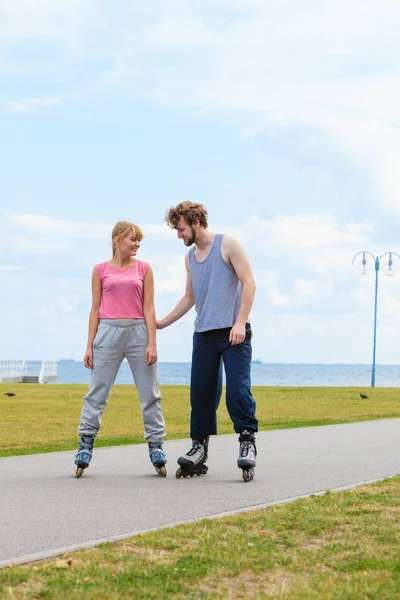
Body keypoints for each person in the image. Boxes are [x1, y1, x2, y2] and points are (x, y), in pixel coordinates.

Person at [157, 202, 258, 482]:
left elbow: (249, 283)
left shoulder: (228, 244)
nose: (179, 235)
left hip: (233, 333)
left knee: (238, 389)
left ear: (196, 221)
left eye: (181, 229)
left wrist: (240, 322)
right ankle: (199, 448)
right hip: (203, 334)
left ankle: (247, 440)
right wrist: (162, 322)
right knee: (201, 394)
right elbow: (190, 298)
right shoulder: (189, 258)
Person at [74, 221, 167, 478]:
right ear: (117, 240)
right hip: (108, 333)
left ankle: (156, 445)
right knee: (97, 392)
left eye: (139, 240)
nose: (137, 244)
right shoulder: (100, 270)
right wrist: (90, 345)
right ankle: (85, 444)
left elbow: (149, 307)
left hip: (138, 332)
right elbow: (95, 309)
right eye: (132, 239)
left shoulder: (145, 269)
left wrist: (152, 342)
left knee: (150, 393)